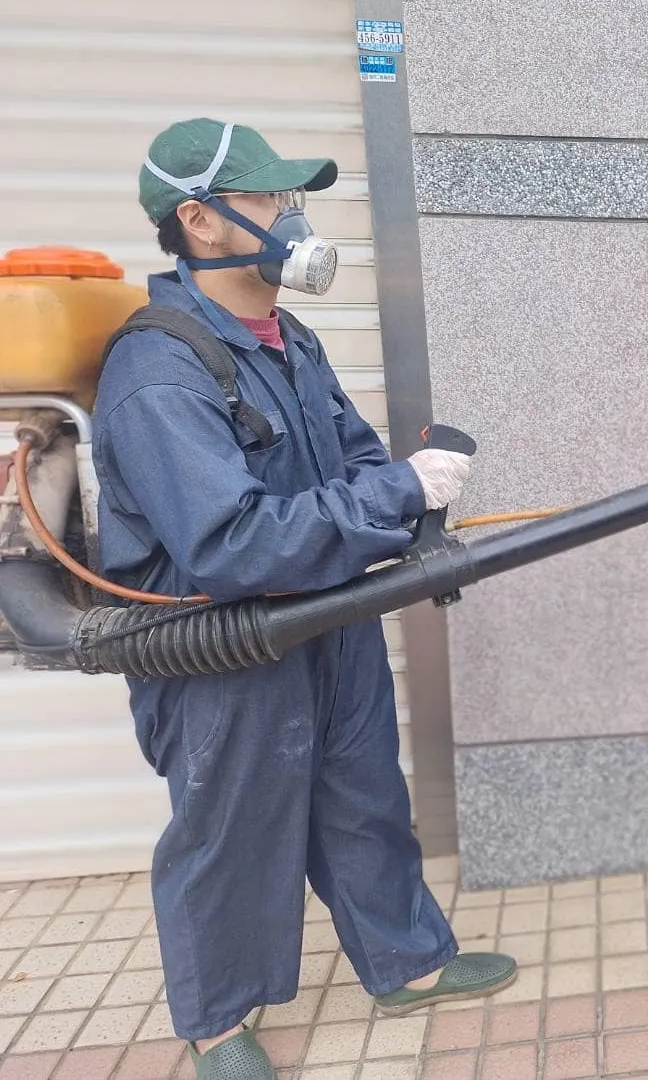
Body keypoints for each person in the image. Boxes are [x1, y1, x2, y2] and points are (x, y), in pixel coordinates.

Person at [90, 118, 517, 1078]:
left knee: (364, 794)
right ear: (199, 220)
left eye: (292, 198)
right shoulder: (157, 371)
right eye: (268, 198)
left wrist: (406, 501)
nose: (291, 217)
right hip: (223, 648)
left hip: (327, 618)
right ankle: (216, 1025)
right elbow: (229, 543)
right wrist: (397, 492)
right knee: (230, 829)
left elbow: (354, 456)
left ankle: (406, 962)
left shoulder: (288, 339)